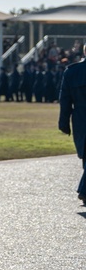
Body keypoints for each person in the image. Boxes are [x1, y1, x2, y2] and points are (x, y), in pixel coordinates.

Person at [58, 52, 86, 206]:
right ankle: (84, 190)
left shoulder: (71, 71)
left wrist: (63, 123)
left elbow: (65, 100)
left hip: (80, 118)